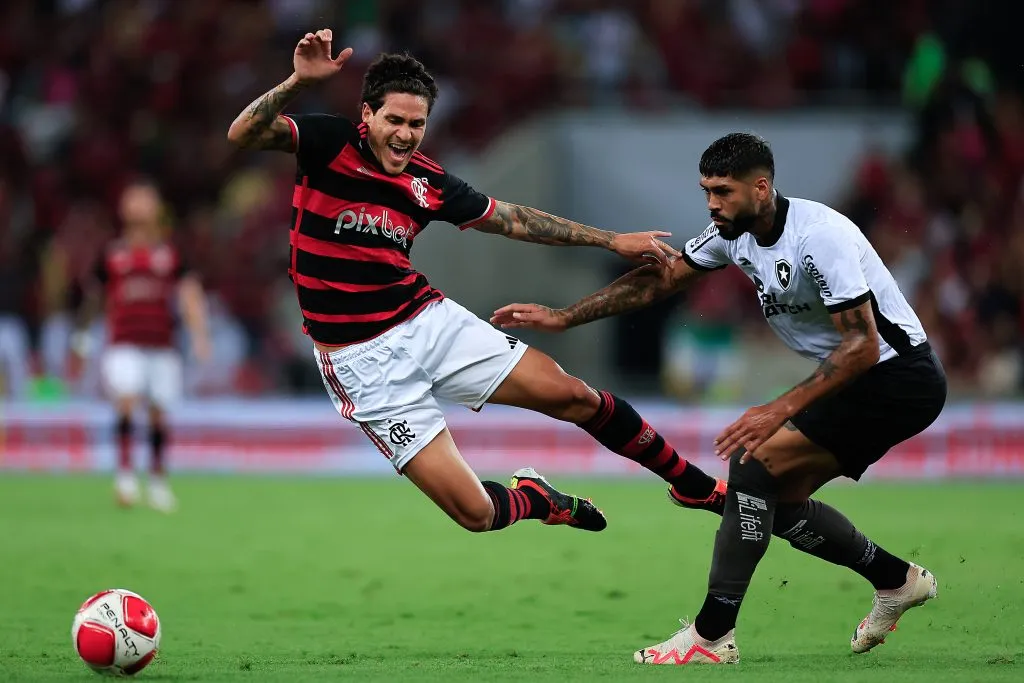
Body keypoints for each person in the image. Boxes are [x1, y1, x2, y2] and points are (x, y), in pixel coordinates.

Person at [226, 30, 725, 535]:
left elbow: (514, 219)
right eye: (394, 120)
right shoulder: (328, 142)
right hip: (362, 365)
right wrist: (296, 81)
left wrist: (611, 241)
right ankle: (535, 499)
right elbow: (243, 135)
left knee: (574, 396)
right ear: (368, 116)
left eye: (416, 124)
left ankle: (692, 483)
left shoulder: (428, 183)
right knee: (476, 515)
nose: (405, 134)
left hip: (426, 322)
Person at [493, 133, 946, 663]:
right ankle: (895, 581)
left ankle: (711, 636)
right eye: (706, 190)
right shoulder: (732, 233)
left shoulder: (818, 237)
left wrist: (778, 408)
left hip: (896, 378)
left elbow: (863, 345)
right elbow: (662, 281)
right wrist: (567, 317)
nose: (712, 202)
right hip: (865, 379)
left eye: (723, 191)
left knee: (752, 467)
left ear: (761, 187)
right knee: (772, 498)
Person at [75, 180, 211, 512]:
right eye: (133, 199)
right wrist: (81, 338)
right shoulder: (112, 254)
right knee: (126, 399)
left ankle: (158, 480)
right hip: (123, 342)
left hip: (162, 345)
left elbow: (190, 293)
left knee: (158, 414)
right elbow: (94, 298)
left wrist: (199, 334)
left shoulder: (171, 254)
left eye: (144, 199)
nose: (138, 205)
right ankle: (124, 475)